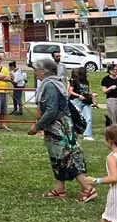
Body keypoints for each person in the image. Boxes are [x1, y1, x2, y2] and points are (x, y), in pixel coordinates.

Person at [30, 60, 95, 202]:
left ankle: (88, 189)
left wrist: (37, 126)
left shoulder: (50, 85)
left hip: (59, 128)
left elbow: (51, 110)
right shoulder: (53, 83)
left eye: (35, 69)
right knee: (57, 158)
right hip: (57, 127)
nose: (34, 73)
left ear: (44, 71)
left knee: (67, 157)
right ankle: (59, 188)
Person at [68, 66, 95, 141]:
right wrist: (79, 95)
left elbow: (88, 91)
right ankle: (73, 134)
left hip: (86, 101)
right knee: (75, 118)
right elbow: (70, 91)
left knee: (88, 118)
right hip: (76, 101)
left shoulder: (86, 82)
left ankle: (87, 135)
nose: (87, 74)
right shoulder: (74, 81)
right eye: (86, 72)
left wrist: (92, 97)